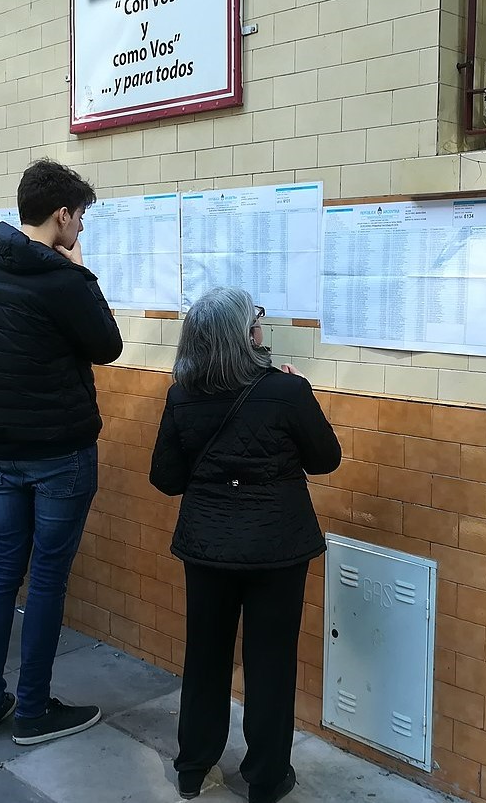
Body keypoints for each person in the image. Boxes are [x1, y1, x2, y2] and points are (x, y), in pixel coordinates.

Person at [149, 287, 342, 803]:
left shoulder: (181, 394)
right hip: (277, 547)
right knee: (271, 661)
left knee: (206, 654)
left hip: (207, 545)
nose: (262, 327)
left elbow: (165, 478)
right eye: (256, 320)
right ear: (245, 337)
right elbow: (326, 459)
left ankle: (192, 767)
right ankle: (266, 777)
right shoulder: (286, 391)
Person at [0, 159, 123, 745]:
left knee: (4, 571)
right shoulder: (61, 279)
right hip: (59, 453)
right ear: (61, 215)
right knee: (47, 580)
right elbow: (108, 344)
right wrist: (82, 273)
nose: (80, 230)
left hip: (0, 451)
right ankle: (32, 712)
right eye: (80, 219)